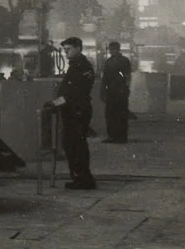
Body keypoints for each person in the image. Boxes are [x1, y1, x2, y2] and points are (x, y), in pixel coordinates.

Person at [53, 35, 97, 189]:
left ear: (78, 48)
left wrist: (54, 103)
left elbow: (72, 94)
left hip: (76, 111)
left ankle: (83, 179)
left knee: (75, 146)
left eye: (68, 49)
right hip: (76, 110)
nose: (66, 53)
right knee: (74, 145)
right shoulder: (78, 65)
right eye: (64, 50)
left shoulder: (80, 67)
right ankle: (81, 178)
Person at [100, 39, 134, 143]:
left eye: (112, 49)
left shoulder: (114, 61)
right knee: (114, 114)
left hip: (118, 90)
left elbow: (125, 76)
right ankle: (116, 136)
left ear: (116, 49)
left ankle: (118, 136)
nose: (110, 51)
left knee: (117, 114)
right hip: (116, 90)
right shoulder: (117, 61)